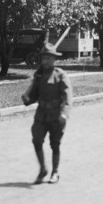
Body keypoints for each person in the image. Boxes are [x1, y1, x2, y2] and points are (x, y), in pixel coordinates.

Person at [22, 43, 73, 184]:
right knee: (36, 140)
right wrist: (27, 100)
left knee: (55, 144)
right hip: (41, 114)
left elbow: (67, 97)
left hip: (56, 115)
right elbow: (34, 95)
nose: (45, 61)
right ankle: (43, 168)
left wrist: (64, 114)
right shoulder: (39, 76)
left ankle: (55, 172)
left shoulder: (60, 75)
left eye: (48, 58)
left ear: (54, 59)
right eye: (43, 58)